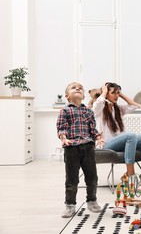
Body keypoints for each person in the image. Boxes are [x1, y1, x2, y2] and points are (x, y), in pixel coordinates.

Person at [91, 82, 141, 188]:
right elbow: (97, 103)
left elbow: (135, 106)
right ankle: (130, 175)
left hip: (121, 143)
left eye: (117, 93)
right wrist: (105, 91)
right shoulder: (99, 109)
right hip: (106, 145)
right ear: (106, 94)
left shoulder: (118, 108)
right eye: (113, 93)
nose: (116, 96)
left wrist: (121, 94)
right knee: (130, 135)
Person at [56, 82, 103, 218]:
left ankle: (92, 200)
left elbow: (93, 129)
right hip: (72, 148)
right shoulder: (65, 111)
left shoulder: (88, 111)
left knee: (92, 177)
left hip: (88, 147)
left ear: (83, 96)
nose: (78, 89)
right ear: (67, 96)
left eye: (80, 88)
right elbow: (62, 127)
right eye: (73, 88)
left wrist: (98, 137)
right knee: (72, 179)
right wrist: (63, 138)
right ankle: (70, 205)